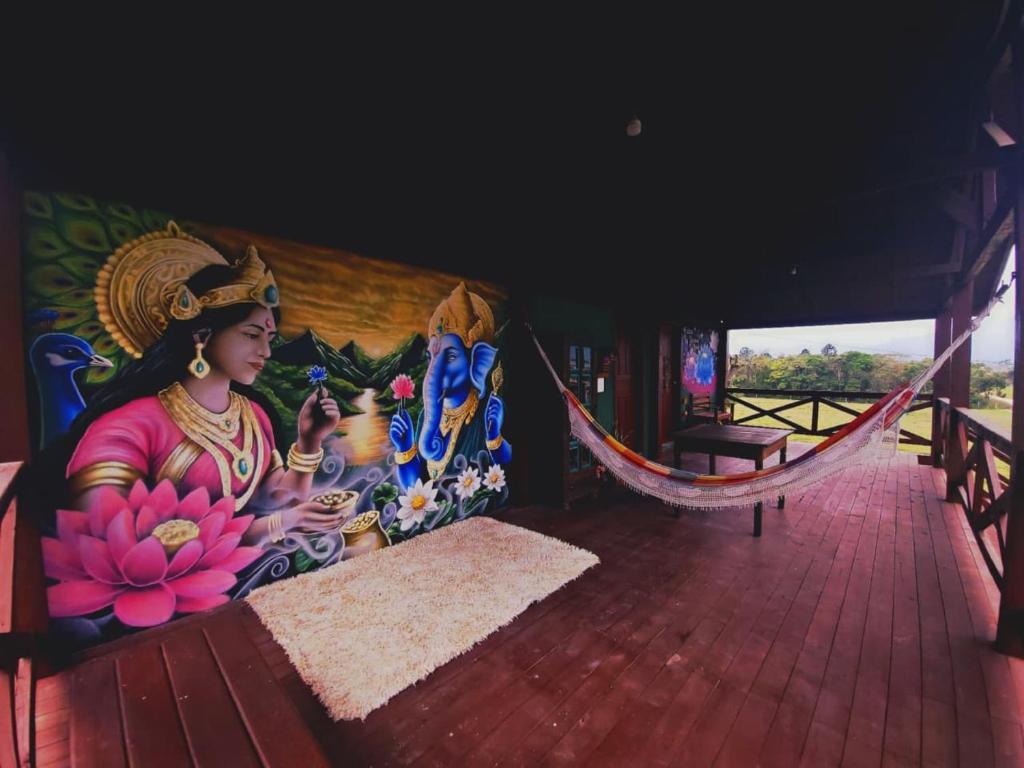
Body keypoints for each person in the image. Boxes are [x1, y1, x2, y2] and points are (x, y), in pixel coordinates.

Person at [59, 222, 346, 545]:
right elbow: (114, 537)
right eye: (251, 335)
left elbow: (278, 498)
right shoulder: (129, 426)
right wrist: (275, 525)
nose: (265, 351)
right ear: (202, 335)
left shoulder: (254, 415)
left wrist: (310, 440)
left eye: (269, 338)